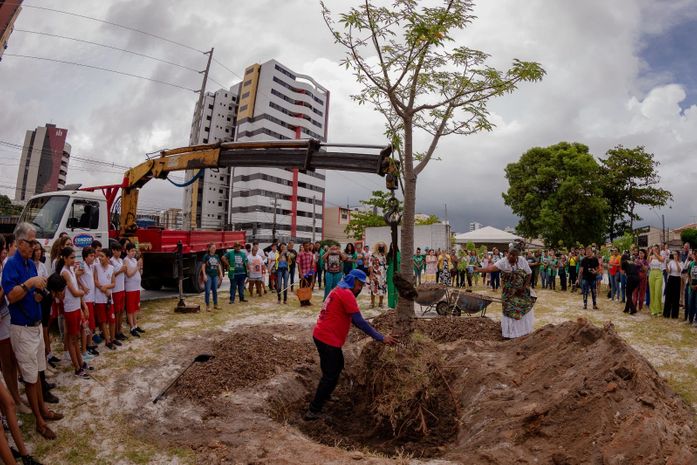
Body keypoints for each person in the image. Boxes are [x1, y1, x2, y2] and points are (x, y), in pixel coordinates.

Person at [304, 269, 397, 420]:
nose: (359, 288)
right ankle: (313, 410)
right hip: (328, 339)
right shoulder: (346, 294)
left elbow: (353, 319)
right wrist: (381, 338)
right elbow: (359, 321)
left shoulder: (338, 290)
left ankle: (326, 395)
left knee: (337, 365)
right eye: (359, 284)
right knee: (330, 375)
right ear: (352, 280)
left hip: (321, 335)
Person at [2, 223, 63, 440]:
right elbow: (10, 296)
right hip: (22, 329)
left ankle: (43, 410)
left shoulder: (29, 263)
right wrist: (30, 284)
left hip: (35, 325)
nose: (35, 245)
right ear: (20, 244)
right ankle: (39, 421)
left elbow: (29, 293)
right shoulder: (12, 265)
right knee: (29, 378)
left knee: (37, 373)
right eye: (32, 242)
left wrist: (37, 295)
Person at [475, 241, 535, 339]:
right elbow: (491, 268)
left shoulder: (522, 261)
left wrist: (524, 287)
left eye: (513, 255)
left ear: (517, 256)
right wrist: (479, 269)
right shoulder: (503, 261)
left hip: (521, 291)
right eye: (509, 254)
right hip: (508, 293)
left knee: (521, 311)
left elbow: (529, 273)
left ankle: (523, 332)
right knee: (508, 311)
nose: (510, 256)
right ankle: (510, 334)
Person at [58, 247, 91, 378]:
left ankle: (80, 362)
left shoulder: (71, 270)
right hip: (70, 309)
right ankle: (77, 367)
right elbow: (75, 292)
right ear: (64, 258)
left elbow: (77, 289)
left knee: (75, 338)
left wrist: (82, 304)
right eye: (71, 258)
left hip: (76, 308)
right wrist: (85, 292)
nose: (73, 260)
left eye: (74, 257)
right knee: (72, 340)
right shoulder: (64, 272)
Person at [79, 246, 100, 355]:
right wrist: (83, 286)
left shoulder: (90, 266)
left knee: (91, 323)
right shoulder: (82, 264)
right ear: (85, 257)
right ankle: (87, 344)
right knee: (87, 323)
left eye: (93, 255)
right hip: (86, 299)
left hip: (92, 298)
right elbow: (76, 276)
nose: (93, 258)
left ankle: (89, 342)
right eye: (91, 256)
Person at [94, 248, 116, 350]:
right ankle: (107, 340)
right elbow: (95, 280)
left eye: (102, 256)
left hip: (108, 298)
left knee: (112, 319)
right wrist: (102, 288)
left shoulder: (111, 268)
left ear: (108, 257)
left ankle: (112, 338)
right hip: (99, 298)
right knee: (103, 320)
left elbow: (113, 283)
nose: (100, 258)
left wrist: (106, 287)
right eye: (99, 256)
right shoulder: (96, 267)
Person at [124, 243, 144, 337]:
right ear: (127, 251)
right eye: (131, 251)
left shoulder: (134, 260)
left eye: (134, 251)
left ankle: (135, 325)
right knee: (130, 309)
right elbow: (129, 274)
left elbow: (139, 272)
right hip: (130, 288)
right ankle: (131, 327)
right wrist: (137, 266)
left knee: (136, 308)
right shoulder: (126, 260)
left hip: (136, 287)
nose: (133, 252)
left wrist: (140, 266)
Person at [109, 241, 128, 341]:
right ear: (113, 251)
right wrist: (121, 270)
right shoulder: (111, 261)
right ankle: (115, 331)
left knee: (121, 311)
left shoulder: (121, 260)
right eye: (117, 251)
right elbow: (112, 275)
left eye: (120, 251)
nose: (119, 253)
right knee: (116, 312)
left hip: (122, 288)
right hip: (115, 290)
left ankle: (119, 330)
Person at [200, 243, 223, 311]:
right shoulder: (206, 256)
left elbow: (218, 265)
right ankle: (207, 306)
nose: (214, 249)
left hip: (215, 275)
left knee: (215, 290)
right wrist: (204, 275)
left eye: (215, 248)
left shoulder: (216, 256)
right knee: (207, 291)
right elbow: (203, 266)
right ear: (209, 249)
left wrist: (221, 273)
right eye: (212, 248)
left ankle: (215, 304)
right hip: (208, 275)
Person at [663, 251, 682, 319]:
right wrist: (666, 265)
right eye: (674, 254)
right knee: (669, 296)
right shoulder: (671, 262)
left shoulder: (681, 262)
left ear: (678, 255)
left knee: (676, 297)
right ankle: (666, 313)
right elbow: (669, 271)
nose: (674, 256)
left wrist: (676, 262)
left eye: (676, 254)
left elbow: (679, 270)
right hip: (671, 278)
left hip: (677, 279)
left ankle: (674, 315)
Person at [297, 242, 316, 306]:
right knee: (302, 288)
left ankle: (307, 301)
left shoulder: (311, 254)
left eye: (308, 246)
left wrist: (312, 273)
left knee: (308, 288)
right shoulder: (300, 254)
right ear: (303, 246)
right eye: (305, 246)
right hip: (303, 273)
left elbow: (312, 264)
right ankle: (302, 302)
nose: (307, 247)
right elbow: (298, 264)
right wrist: (301, 274)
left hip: (309, 273)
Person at [648, 245, 664, 316]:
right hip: (652, 273)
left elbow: (661, 260)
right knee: (652, 292)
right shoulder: (651, 257)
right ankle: (653, 309)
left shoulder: (661, 256)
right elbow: (647, 261)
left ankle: (659, 310)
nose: (655, 250)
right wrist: (649, 253)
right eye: (654, 249)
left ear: (658, 249)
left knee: (658, 292)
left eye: (656, 249)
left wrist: (655, 253)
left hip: (659, 273)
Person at [369, 242, 387, 308]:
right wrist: (371, 274)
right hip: (375, 273)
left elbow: (385, 265)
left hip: (383, 274)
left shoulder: (384, 255)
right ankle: (372, 303)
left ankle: (381, 303)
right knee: (373, 287)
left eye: (382, 246)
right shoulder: (373, 255)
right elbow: (370, 264)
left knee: (382, 288)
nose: (381, 247)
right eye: (380, 246)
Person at [386, 243, 401, 309]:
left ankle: (398, 304)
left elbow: (400, 262)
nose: (393, 247)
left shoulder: (399, 254)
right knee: (391, 287)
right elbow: (386, 263)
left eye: (394, 245)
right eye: (392, 245)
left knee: (398, 287)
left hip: (398, 271)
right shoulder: (389, 254)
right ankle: (391, 304)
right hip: (390, 272)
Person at [685, 250, 697, 324]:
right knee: (690, 303)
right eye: (694, 254)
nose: (695, 256)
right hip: (691, 286)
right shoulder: (691, 264)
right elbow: (688, 275)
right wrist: (690, 284)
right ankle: (690, 319)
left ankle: (696, 320)